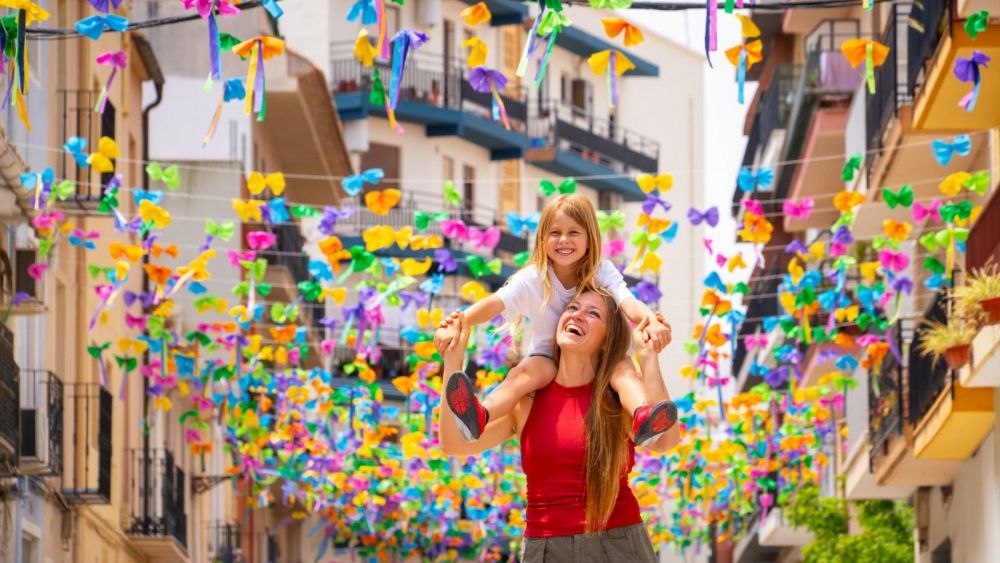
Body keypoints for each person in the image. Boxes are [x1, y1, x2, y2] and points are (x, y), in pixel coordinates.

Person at [437, 290, 679, 562]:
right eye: (573, 307)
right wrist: (452, 362)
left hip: (618, 543)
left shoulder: (618, 400)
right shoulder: (527, 399)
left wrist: (648, 358)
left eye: (593, 313)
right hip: (546, 548)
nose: (577, 314)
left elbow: (665, 441)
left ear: (606, 341)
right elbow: (454, 443)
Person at [434, 193, 676, 447]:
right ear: (542, 239)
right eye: (554, 233)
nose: (563, 240)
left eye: (574, 232)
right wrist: (460, 323)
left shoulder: (601, 271)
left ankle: (642, 416)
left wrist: (650, 318)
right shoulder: (533, 278)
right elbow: (495, 302)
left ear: (589, 239)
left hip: (601, 360)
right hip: (546, 356)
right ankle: (480, 414)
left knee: (624, 372)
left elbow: (628, 303)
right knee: (521, 375)